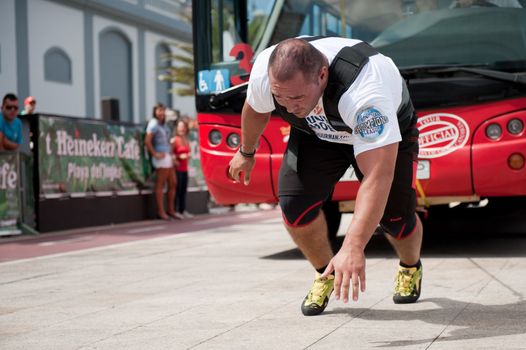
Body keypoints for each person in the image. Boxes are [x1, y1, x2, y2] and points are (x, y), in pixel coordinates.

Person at [228, 37, 423, 316]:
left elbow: (377, 176)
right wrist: (246, 153)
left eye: (296, 97)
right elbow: (256, 109)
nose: (288, 106)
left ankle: (410, 266)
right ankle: (325, 273)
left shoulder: (365, 91)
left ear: (322, 75)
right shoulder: (266, 72)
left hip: (385, 132)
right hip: (318, 132)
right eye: (280, 98)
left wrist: (353, 245)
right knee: (295, 208)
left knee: (395, 219)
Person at [144, 103, 178, 221]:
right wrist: (155, 154)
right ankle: (161, 211)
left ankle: (171, 210)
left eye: (163, 110)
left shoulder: (163, 125)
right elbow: (147, 141)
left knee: (173, 183)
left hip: (168, 155)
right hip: (161, 157)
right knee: (161, 184)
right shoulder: (153, 123)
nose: (161, 113)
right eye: (159, 110)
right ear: (155, 111)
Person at [171, 119, 193, 219]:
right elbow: (170, 154)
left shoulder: (186, 140)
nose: (182, 129)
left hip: (185, 168)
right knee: (177, 189)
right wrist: (179, 157)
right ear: (177, 128)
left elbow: (189, 152)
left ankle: (182, 210)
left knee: (183, 190)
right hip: (177, 169)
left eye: (183, 127)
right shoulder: (174, 140)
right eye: (180, 127)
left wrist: (188, 155)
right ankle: (175, 211)